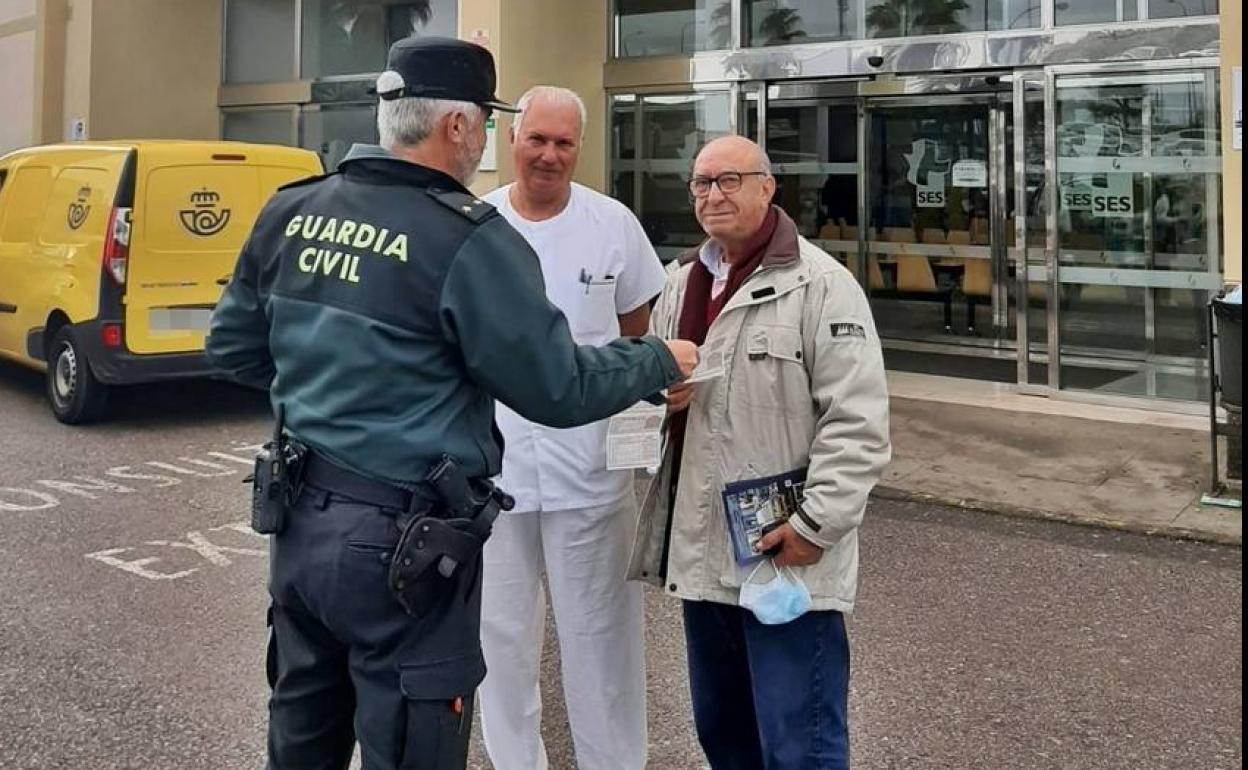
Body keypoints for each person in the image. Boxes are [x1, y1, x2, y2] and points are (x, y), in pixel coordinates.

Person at [206, 37, 698, 770]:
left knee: (303, 731)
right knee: (412, 740)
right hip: (403, 545)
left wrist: (339, 394)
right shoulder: (464, 237)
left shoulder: (293, 212)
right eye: (496, 125)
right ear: (459, 127)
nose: (497, 143)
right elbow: (556, 387)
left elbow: (235, 351)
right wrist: (656, 358)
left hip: (301, 526)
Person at [628, 135, 891, 770]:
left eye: (729, 180)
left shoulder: (822, 286)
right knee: (724, 733)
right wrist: (656, 402)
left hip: (782, 554)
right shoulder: (678, 283)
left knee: (800, 741)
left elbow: (856, 423)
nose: (712, 195)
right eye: (700, 184)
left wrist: (814, 526)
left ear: (768, 188)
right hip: (702, 554)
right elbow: (642, 396)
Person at [476, 86, 667, 770]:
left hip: (589, 471)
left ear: (579, 148)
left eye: (563, 143)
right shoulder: (476, 224)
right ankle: (515, 762)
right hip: (491, 473)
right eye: (537, 139)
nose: (549, 155)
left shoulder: (612, 224)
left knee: (600, 637)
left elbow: (640, 335)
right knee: (498, 637)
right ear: (512, 141)